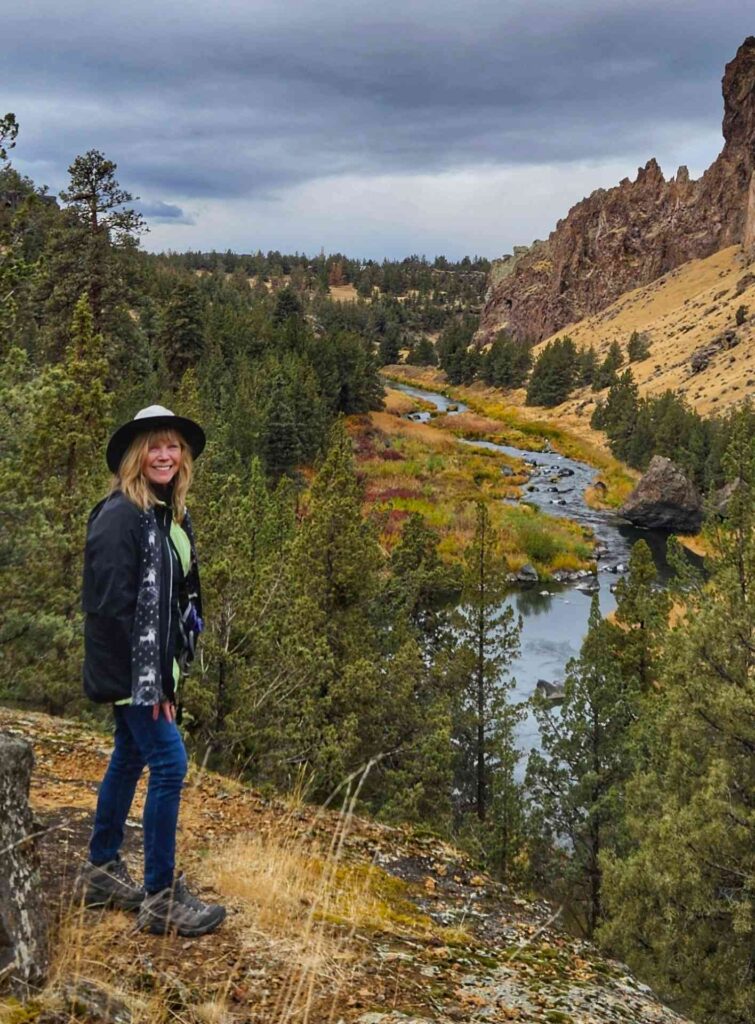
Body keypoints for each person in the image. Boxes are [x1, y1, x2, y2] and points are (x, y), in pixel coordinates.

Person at [76, 405, 226, 937]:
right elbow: (111, 610)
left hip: (152, 670)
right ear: (136, 457)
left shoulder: (167, 513)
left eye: (173, 447)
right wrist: (150, 685)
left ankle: (100, 869)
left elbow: (175, 598)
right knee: (170, 763)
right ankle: (160, 896)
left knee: (130, 754)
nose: (165, 455)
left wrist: (171, 668)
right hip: (133, 672)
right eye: (155, 446)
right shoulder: (121, 516)